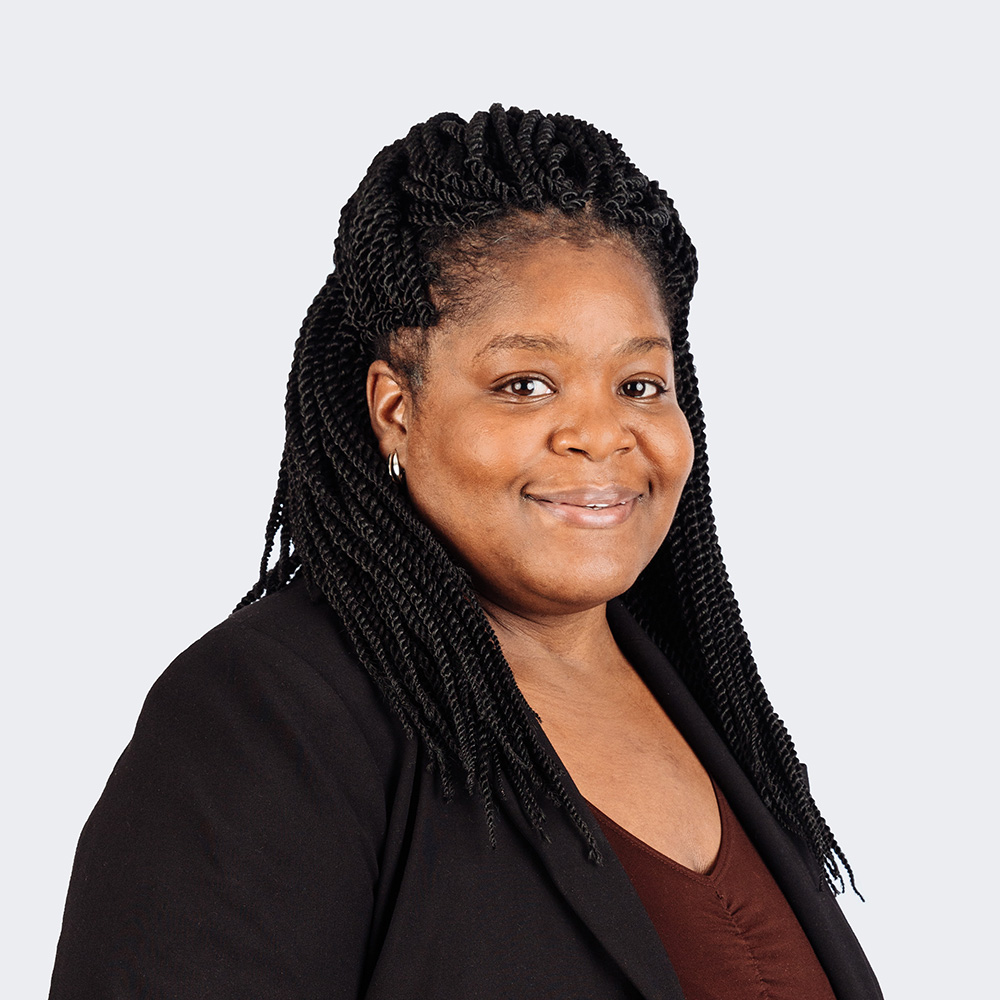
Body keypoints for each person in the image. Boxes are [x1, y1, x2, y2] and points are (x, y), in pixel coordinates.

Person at [49, 105, 882, 999]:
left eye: (640, 383)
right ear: (394, 408)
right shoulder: (272, 717)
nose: (602, 435)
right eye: (525, 384)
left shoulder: (705, 706)